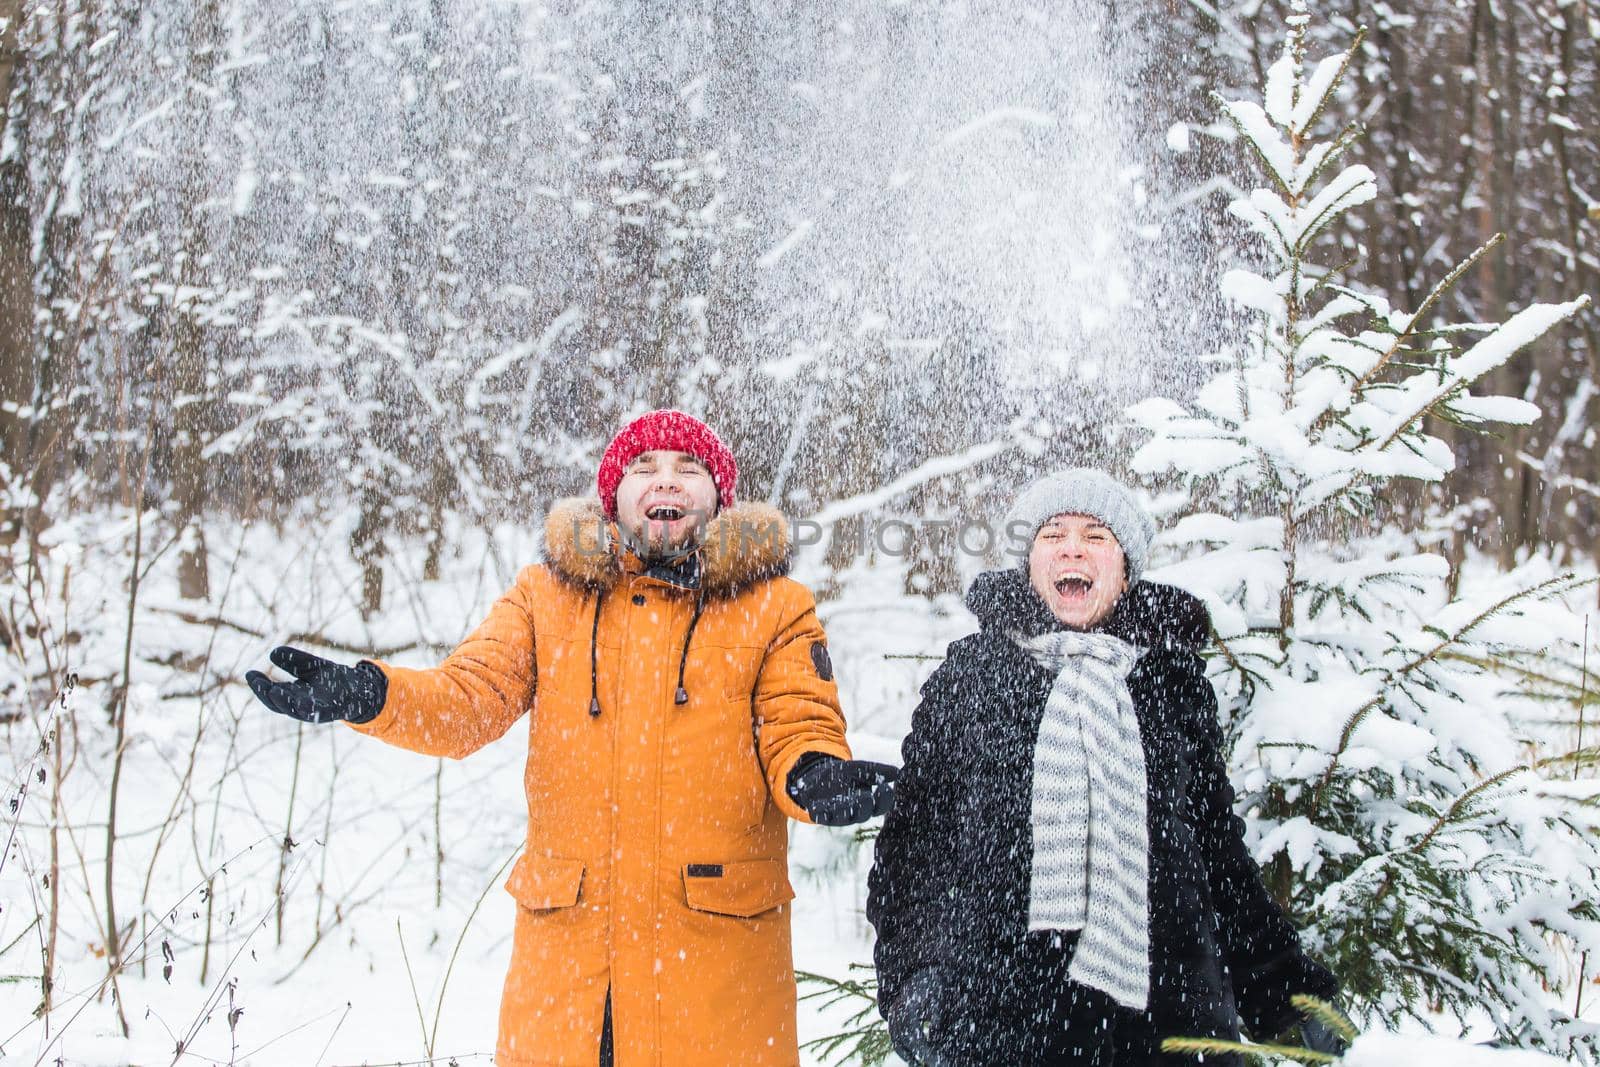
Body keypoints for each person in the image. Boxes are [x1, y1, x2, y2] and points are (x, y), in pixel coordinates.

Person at [246, 409, 898, 1067]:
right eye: (644, 467)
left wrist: (815, 773)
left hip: (714, 971)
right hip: (572, 975)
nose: (665, 480)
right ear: (611, 496)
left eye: (688, 468)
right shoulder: (544, 596)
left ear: (721, 499)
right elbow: (466, 701)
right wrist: (372, 693)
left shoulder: (775, 605)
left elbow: (797, 720)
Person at [866, 468, 1341, 1066]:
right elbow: (913, 851)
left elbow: (1217, 856)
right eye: (1053, 534)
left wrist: (1285, 998)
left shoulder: (1169, 682)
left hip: (1169, 1019)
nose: (1072, 547)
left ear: (1124, 566)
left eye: (1095, 535)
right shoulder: (972, 677)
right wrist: (914, 985)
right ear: (1031, 561)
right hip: (1001, 1017)